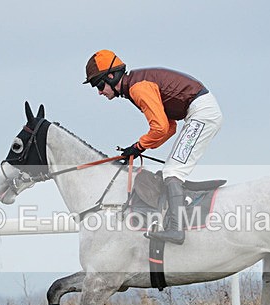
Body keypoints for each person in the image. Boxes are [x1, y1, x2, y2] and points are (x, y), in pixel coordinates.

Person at [83, 50, 222, 244]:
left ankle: (176, 229)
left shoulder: (138, 89)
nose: (99, 92)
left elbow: (161, 127)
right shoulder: (135, 86)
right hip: (199, 112)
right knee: (171, 170)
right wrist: (139, 148)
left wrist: (139, 146)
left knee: (173, 171)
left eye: (99, 85)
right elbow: (169, 128)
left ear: (112, 76)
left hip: (201, 114)